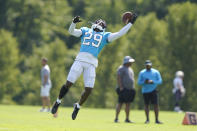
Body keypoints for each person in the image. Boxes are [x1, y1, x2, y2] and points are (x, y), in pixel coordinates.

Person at [51, 14, 138, 120]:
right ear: (94, 23)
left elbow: (120, 33)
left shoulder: (106, 36)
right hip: (79, 60)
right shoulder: (86, 30)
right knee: (69, 83)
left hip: (91, 64)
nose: (99, 23)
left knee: (89, 89)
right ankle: (58, 101)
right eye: (98, 21)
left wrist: (130, 23)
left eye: (101, 23)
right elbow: (71, 32)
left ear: (104, 27)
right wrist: (73, 23)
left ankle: (77, 106)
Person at [114, 56, 136, 123]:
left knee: (128, 104)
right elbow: (119, 77)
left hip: (130, 89)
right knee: (120, 103)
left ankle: (127, 118)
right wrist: (121, 87)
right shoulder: (121, 68)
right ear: (127, 61)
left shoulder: (130, 69)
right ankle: (116, 118)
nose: (131, 63)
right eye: (130, 61)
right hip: (123, 89)